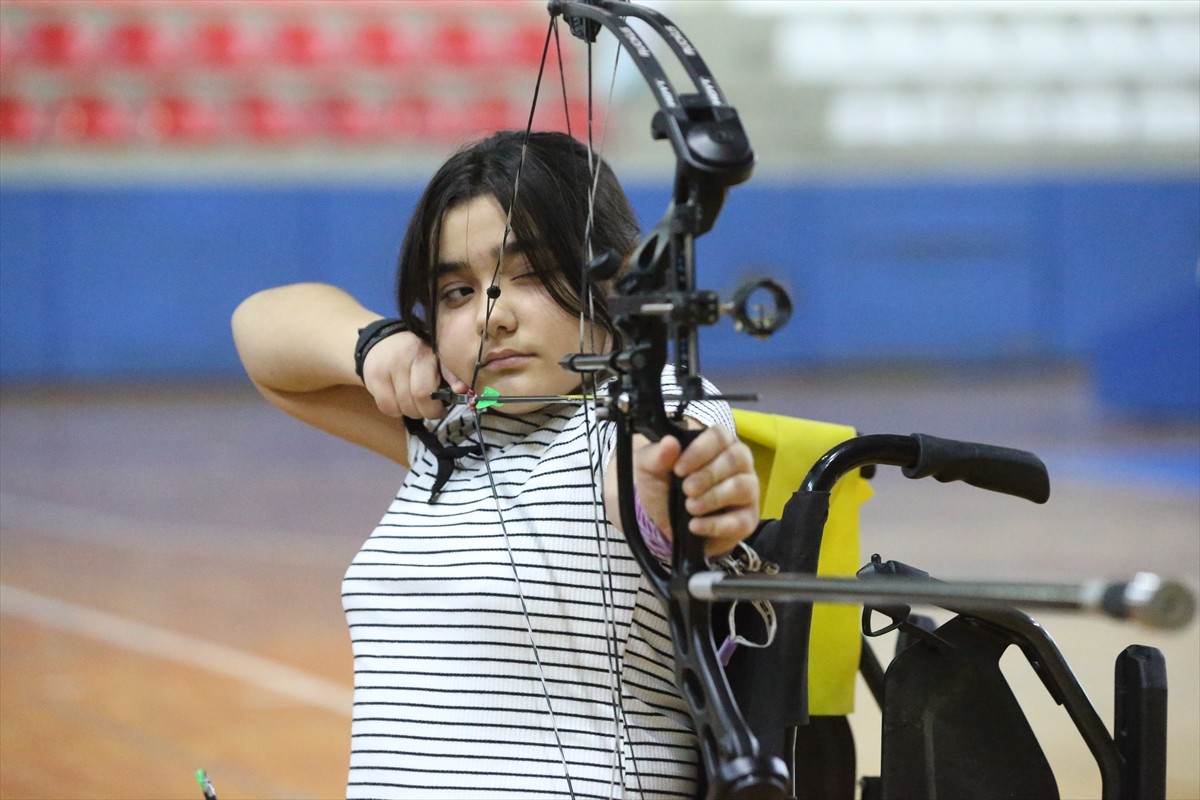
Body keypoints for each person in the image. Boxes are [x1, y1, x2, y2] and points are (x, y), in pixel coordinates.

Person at [231, 130, 762, 799]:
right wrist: (377, 346)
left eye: (532, 274)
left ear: (621, 277)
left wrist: (685, 492)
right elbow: (260, 335)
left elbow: (667, 466)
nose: (492, 317)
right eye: (457, 291)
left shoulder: (644, 411)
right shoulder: (448, 436)